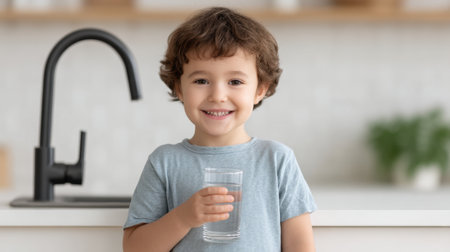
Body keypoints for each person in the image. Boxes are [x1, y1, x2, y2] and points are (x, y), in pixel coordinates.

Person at [123, 6, 317, 252]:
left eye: (235, 81)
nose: (218, 96)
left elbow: (300, 246)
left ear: (260, 89)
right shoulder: (164, 162)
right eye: (201, 81)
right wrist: (183, 218)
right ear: (179, 88)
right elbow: (134, 248)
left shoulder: (277, 160)